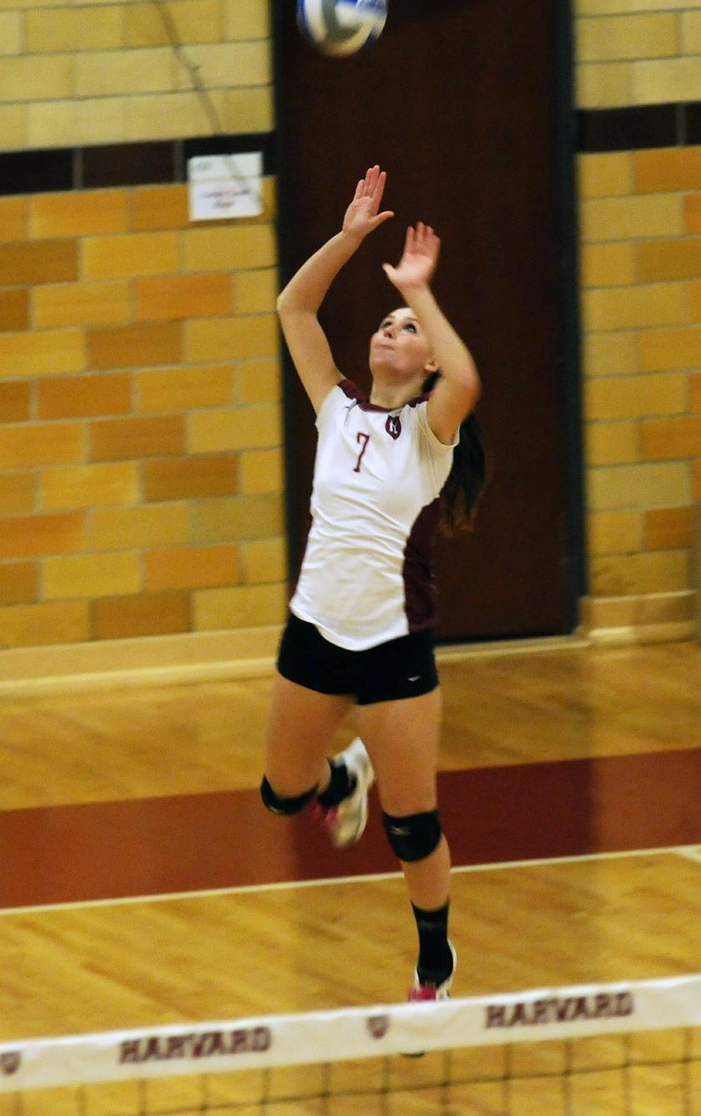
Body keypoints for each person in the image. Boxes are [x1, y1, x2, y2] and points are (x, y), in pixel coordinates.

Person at [261, 165, 486, 1002]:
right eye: (386, 322)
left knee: (411, 825)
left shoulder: (430, 432)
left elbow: (466, 381)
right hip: (316, 628)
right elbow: (294, 308)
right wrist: (349, 238)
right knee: (283, 793)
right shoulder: (338, 408)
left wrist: (418, 290)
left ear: (424, 360)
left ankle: (433, 965)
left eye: (407, 328)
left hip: (395, 645)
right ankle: (340, 778)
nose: (391, 330)